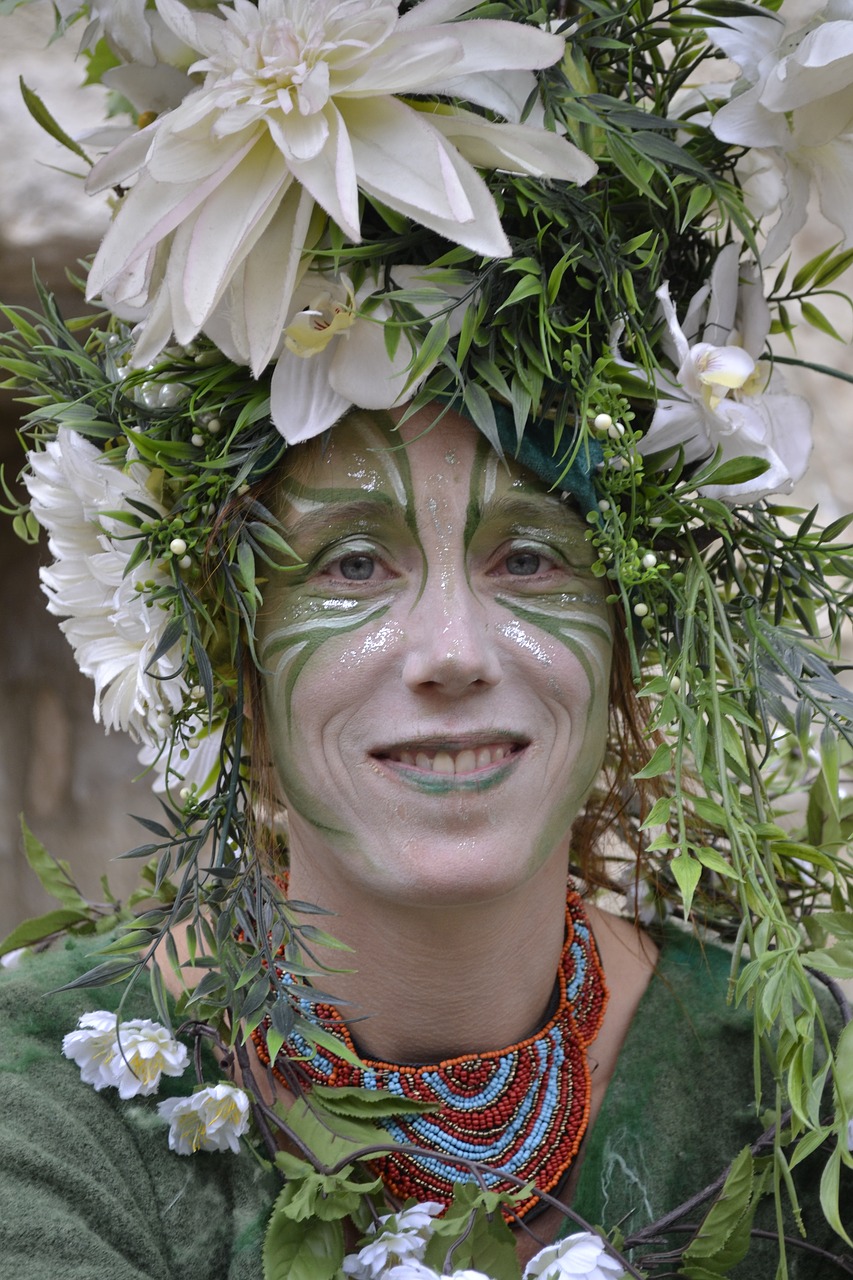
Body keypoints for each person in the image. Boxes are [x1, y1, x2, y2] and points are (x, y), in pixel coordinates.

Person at [0, 2, 852, 1278]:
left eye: (528, 555)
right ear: (232, 651)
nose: (452, 646)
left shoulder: (792, 1091)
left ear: (623, 648)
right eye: (351, 561)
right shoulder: (48, 1099)